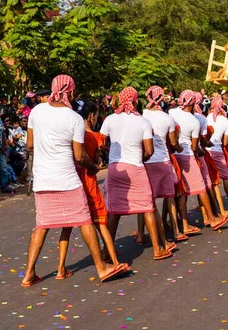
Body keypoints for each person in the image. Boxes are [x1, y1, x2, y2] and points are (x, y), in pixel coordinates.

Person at [22, 74, 128, 287]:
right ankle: (101, 267)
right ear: (70, 92)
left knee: (41, 225)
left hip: (43, 179)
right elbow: (79, 156)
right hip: (67, 179)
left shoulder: (36, 112)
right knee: (84, 221)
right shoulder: (74, 119)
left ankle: (28, 274)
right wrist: (93, 167)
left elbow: (30, 144)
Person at [101, 87, 173, 261]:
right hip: (136, 167)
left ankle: (106, 252)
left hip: (115, 168)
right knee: (147, 206)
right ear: (135, 101)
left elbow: (100, 143)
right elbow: (149, 150)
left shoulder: (110, 119)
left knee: (113, 210)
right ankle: (157, 249)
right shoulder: (143, 122)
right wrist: (139, 158)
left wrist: (113, 152)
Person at [169, 90, 228, 231]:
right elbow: (195, 146)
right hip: (188, 155)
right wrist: (202, 152)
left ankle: (182, 224)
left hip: (174, 155)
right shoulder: (195, 121)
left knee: (181, 190)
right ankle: (212, 218)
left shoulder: (172, 113)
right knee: (201, 187)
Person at [76, 101, 122, 269]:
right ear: (92, 116)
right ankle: (111, 256)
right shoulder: (96, 137)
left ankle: (60, 267)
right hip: (89, 178)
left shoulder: (76, 134)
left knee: (69, 225)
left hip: (74, 178)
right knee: (101, 220)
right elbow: (96, 160)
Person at [140, 86, 186, 242]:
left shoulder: (141, 115)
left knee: (146, 201)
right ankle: (176, 231)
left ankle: (141, 234)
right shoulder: (167, 118)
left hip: (146, 161)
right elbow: (173, 143)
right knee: (170, 197)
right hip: (163, 161)